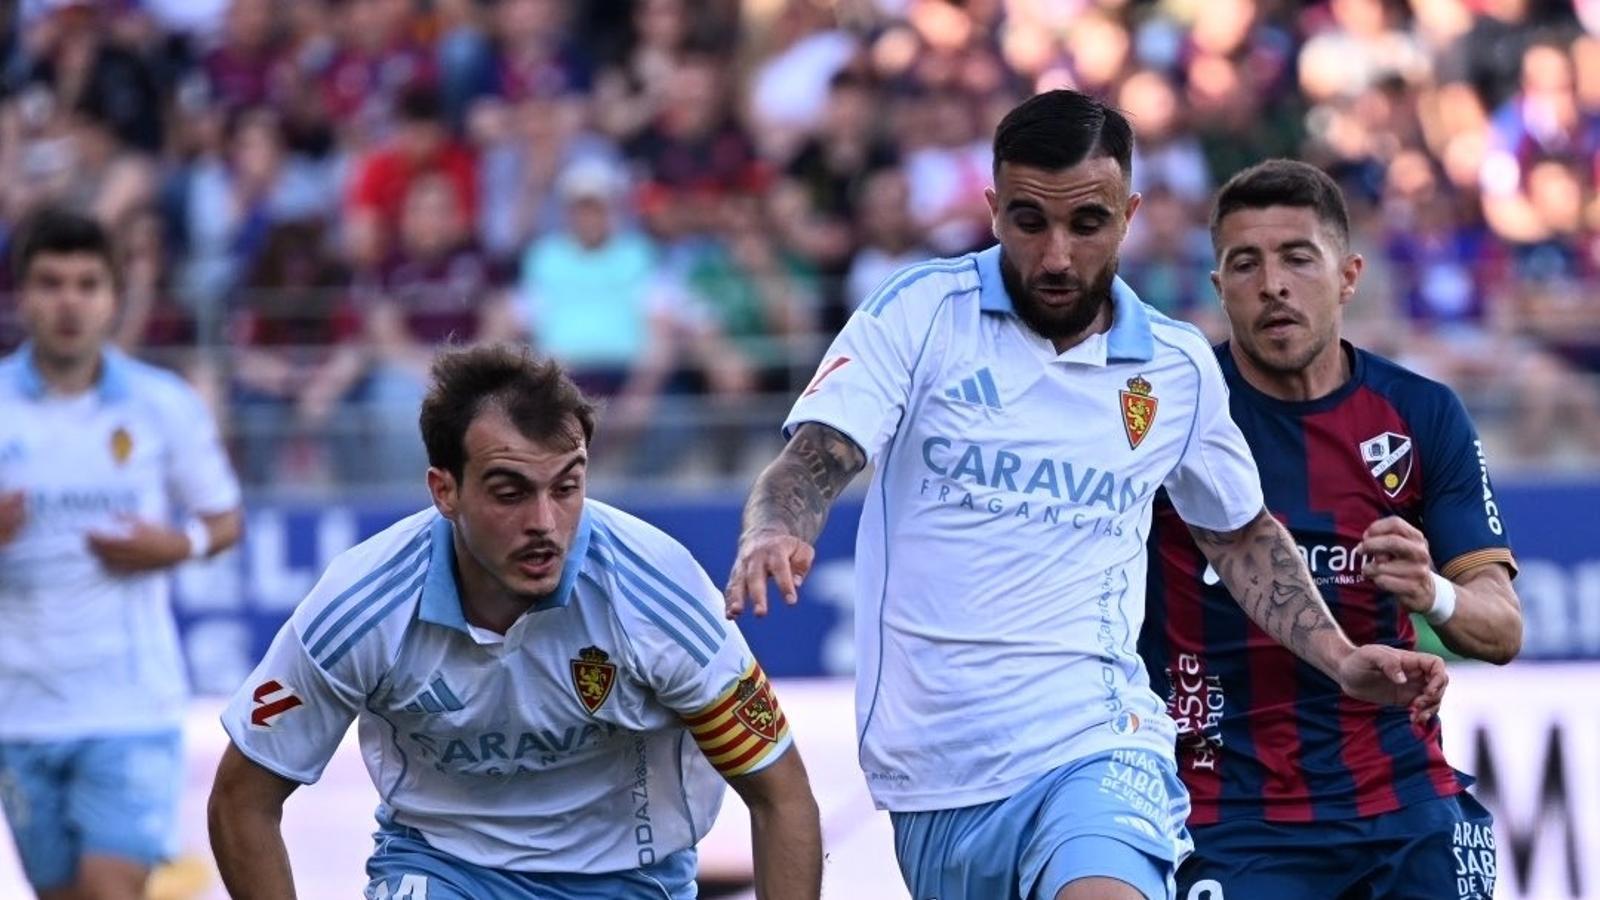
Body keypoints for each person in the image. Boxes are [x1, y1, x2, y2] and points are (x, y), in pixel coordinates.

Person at [723, 89, 1448, 900]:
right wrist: (775, 528)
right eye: (1030, 222)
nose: (1058, 256)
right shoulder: (921, 313)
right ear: (993, 210)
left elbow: (1240, 535)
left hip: (1099, 741)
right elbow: (815, 456)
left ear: (1129, 215)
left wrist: (1343, 659)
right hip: (935, 772)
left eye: (1088, 223)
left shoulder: (1174, 367)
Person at [208, 344, 822, 900]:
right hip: (442, 866)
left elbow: (781, 797)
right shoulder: (361, 606)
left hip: (631, 880)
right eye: (510, 492)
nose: (544, 524)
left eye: (567, 487)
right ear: (444, 491)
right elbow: (241, 800)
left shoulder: (659, 594)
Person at [1139, 159, 1522, 899]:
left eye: (1297, 258)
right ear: (1219, 287)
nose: (1272, 285)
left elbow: (1502, 629)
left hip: (1402, 797)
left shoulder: (1421, 413)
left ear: (1348, 277)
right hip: (1224, 811)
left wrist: (1433, 593)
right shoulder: (1173, 418)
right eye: (1244, 264)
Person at [0, 207, 244, 900]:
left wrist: (178, 545)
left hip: (131, 705)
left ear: (114, 296)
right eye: (51, 283)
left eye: (87, 284)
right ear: (22, 294)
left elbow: (225, 520)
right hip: (19, 710)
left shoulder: (161, 404)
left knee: (111, 890)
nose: (69, 302)